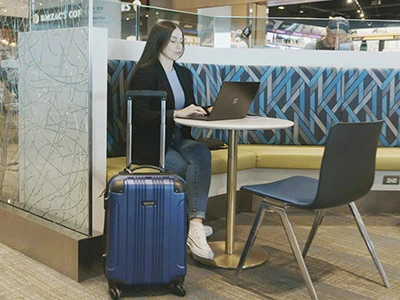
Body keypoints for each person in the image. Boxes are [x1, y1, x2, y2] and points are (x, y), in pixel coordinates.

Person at [128, 21, 214, 260]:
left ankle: (195, 226)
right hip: (153, 144)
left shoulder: (184, 73)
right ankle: (195, 227)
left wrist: (206, 110)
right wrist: (176, 114)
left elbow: (188, 109)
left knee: (203, 153)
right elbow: (138, 115)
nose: (178, 46)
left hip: (178, 137)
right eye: (173, 41)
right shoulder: (145, 73)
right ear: (159, 41)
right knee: (191, 166)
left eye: (181, 41)